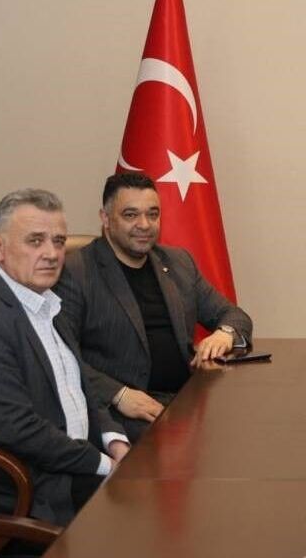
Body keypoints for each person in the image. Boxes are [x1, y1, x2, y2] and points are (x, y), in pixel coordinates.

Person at [0, 189, 129, 525]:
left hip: (67, 462)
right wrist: (104, 465)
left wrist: (114, 441)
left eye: (58, 241)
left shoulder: (47, 304)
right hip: (21, 487)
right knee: (148, 517)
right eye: (35, 241)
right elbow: (18, 430)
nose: (52, 254)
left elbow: (79, 389)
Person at [56, 172, 253, 440]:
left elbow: (234, 315)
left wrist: (224, 334)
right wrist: (118, 394)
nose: (144, 225)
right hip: (126, 413)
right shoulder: (75, 272)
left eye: (153, 214)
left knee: (251, 425)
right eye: (130, 215)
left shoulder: (178, 262)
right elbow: (61, 358)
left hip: (188, 398)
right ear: (106, 219)